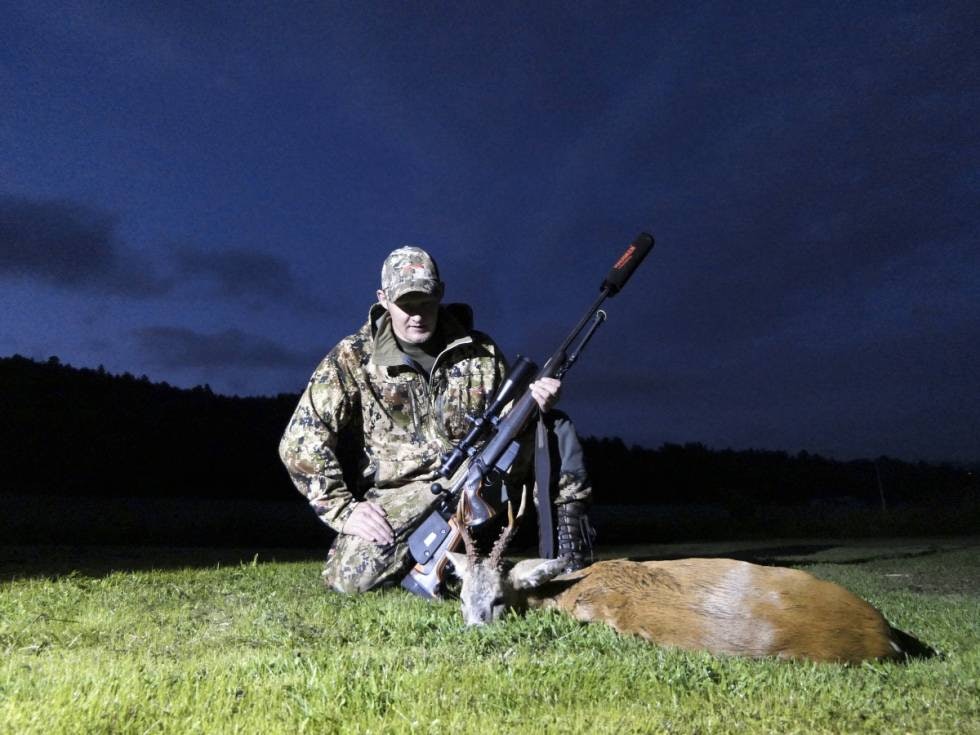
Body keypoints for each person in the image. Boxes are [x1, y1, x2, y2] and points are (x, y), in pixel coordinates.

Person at [279, 246, 593, 594]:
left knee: (552, 427)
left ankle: (571, 554)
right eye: (406, 304)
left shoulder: (480, 350)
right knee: (350, 579)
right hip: (403, 495)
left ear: (441, 293)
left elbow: (507, 421)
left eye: (425, 301)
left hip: (479, 475)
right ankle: (444, 561)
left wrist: (537, 404)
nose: (417, 315)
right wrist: (344, 509)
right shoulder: (353, 357)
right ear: (383, 300)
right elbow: (300, 441)